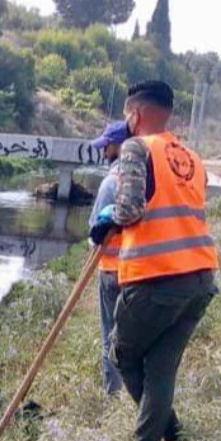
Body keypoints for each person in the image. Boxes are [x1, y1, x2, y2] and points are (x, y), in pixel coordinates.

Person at [90, 81, 219, 441]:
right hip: (200, 278)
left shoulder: (136, 147)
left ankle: (172, 438)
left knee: (122, 354)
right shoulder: (192, 158)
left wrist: (106, 220)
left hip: (157, 278)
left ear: (135, 114)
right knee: (161, 367)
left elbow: (129, 209)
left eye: (127, 116)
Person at [87, 120, 130, 396]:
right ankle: (130, 397)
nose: (104, 152)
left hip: (112, 271)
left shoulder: (111, 182)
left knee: (110, 339)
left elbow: (94, 232)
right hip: (140, 272)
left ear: (119, 146)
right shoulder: (145, 179)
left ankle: (112, 397)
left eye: (108, 146)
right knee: (132, 340)